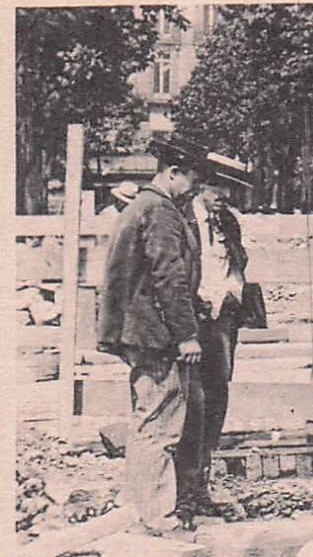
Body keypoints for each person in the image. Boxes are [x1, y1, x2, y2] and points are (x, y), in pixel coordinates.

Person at [96, 136, 208, 533]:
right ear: (173, 173)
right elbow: (167, 277)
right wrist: (186, 334)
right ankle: (158, 516)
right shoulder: (160, 210)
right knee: (160, 424)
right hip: (156, 334)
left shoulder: (142, 206)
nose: (194, 188)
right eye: (191, 180)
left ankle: (142, 507)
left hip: (142, 330)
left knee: (147, 419)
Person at [188, 152, 259, 514]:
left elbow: (237, 262)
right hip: (189, 318)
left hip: (222, 319)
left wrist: (233, 290)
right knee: (189, 399)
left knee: (217, 393)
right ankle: (183, 487)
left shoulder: (229, 221)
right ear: (200, 183)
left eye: (229, 189)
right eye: (217, 186)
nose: (223, 195)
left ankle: (202, 479)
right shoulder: (181, 216)